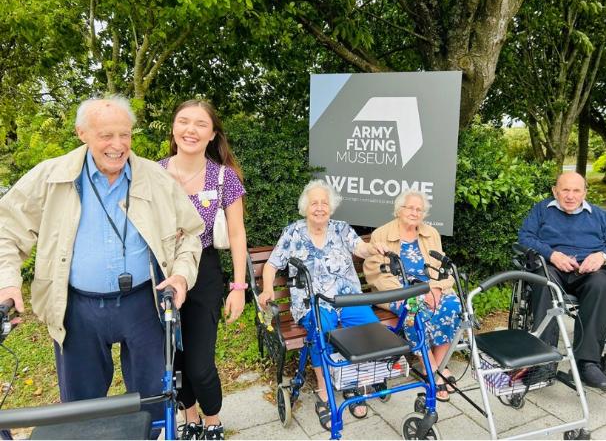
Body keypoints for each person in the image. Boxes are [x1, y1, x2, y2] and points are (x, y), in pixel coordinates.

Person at [0, 95, 204, 429]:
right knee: (80, 411)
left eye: (124, 134)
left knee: (153, 402)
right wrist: (8, 281)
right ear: (82, 133)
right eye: (106, 135)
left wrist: (181, 276)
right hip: (77, 307)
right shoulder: (51, 177)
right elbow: (5, 229)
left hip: (144, 304)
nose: (117, 144)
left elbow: (191, 235)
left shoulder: (155, 177)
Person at [257, 180, 385, 430]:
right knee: (320, 331)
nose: (319, 207)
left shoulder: (341, 228)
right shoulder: (293, 232)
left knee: (369, 326)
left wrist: (373, 248)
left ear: (331, 207)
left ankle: (352, 382)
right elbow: (272, 264)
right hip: (312, 302)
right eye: (314, 203)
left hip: (346, 297)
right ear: (306, 207)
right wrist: (268, 287)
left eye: (324, 203)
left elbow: (361, 248)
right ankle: (324, 392)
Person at [159, 99, 247, 440]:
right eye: (183, 121)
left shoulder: (224, 177)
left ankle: (212, 420)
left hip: (205, 272)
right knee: (173, 359)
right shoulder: (153, 172)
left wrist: (238, 288)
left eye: (200, 124)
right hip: (162, 271)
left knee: (199, 363)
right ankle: (190, 416)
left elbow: (238, 234)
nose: (190, 130)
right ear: (173, 128)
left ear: (212, 134)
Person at [518, 171, 606, 391]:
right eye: (565, 190)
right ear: (555, 191)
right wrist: (552, 254)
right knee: (544, 283)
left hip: (588, 271)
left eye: (576, 190)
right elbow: (525, 237)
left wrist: (601, 256)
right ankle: (543, 361)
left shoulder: (599, 216)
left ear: (585, 192)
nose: (570, 195)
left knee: (601, 285)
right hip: (552, 268)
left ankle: (587, 363)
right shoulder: (542, 210)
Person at [363, 190, 461, 402]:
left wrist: (435, 288)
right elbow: (375, 273)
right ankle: (431, 369)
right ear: (399, 210)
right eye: (410, 208)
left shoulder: (430, 234)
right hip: (398, 291)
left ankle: (439, 365)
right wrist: (411, 292)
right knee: (414, 309)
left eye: (419, 209)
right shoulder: (382, 234)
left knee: (453, 304)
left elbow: (442, 268)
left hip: (430, 288)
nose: (414, 212)